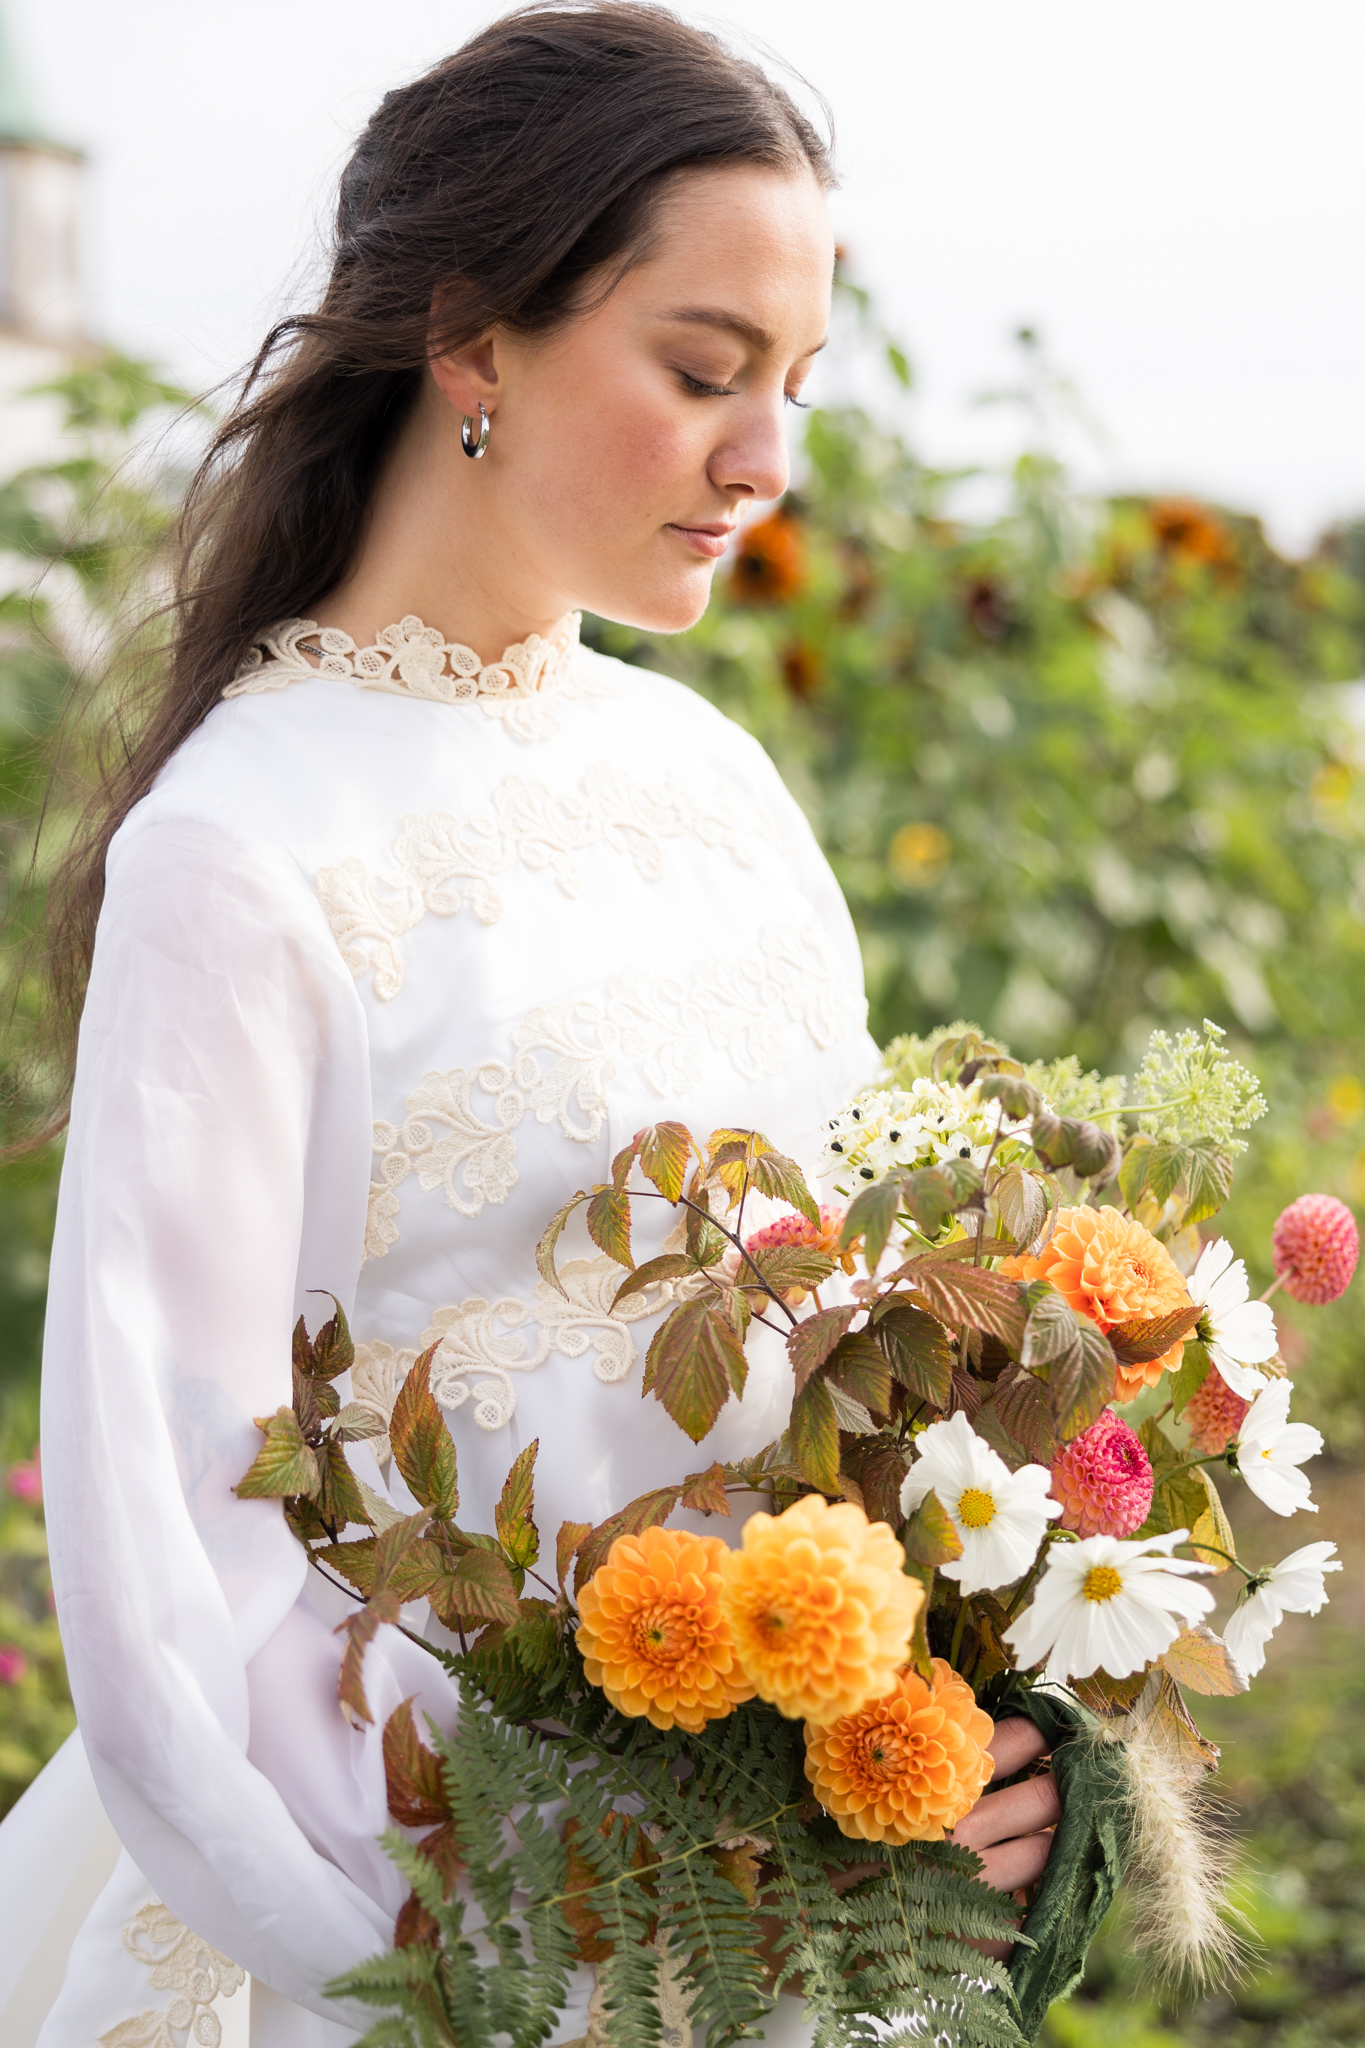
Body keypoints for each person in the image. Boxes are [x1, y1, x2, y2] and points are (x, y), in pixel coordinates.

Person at [0, 7, 1061, 2042]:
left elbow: (846, 1358)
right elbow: (176, 1589)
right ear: (471, 338)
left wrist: (971, 1736)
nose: (766, 460)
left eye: (794, 385)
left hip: (809, 1919)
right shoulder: (242, 853)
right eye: (699, 369)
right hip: (433, 1927)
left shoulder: (711, 781)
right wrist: (527, 1966)